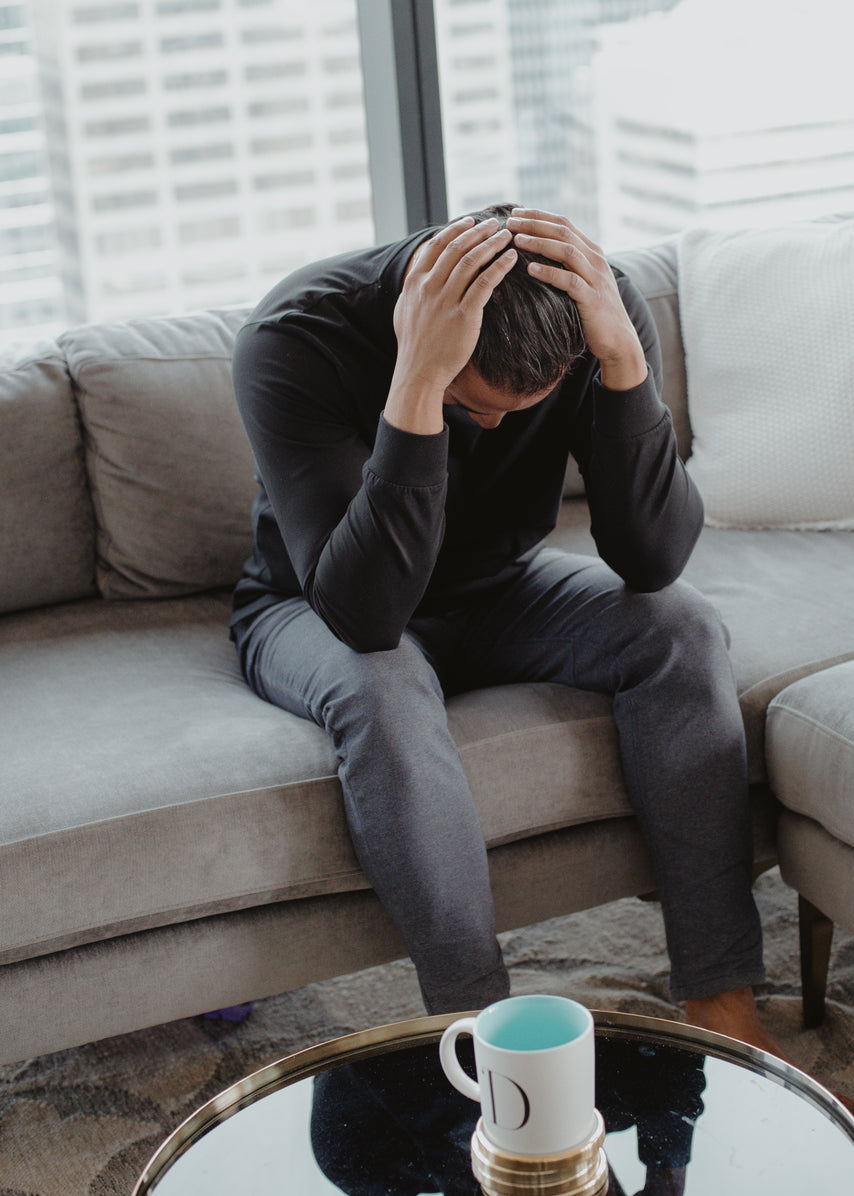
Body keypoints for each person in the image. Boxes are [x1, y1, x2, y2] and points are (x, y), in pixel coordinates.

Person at [228, 202, 779, 1054]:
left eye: (516, 410)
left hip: (499, 591)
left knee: (681, 628)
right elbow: (366, 618)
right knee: (385, 685)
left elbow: (653, 559)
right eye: (468, 403)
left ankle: (723, 1003)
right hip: (318, 609)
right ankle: (483, 1032)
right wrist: (417, 384)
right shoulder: (296, 337)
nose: (485, 427)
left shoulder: (597, 312)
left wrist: (625, 363)